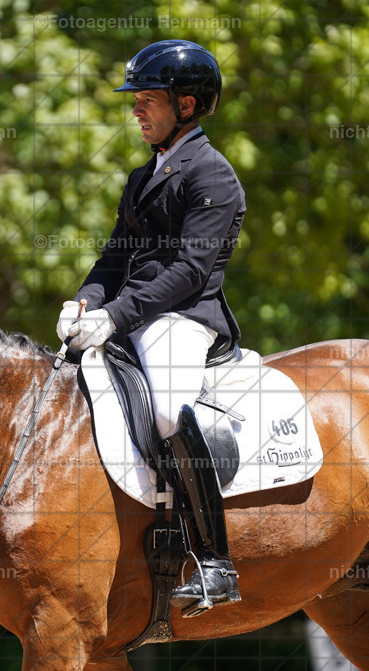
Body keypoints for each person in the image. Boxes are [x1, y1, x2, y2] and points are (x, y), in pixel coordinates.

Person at [56, 40, 246, 615]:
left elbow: (190, 271)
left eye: (148, 98)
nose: (136, 108)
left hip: (182, 319)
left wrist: (116, 314)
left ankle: (216, 563)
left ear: (186, 105)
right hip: (129, 314)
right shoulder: (143, 176)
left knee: (168, 411)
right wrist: (85, 302)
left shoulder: (213, 174)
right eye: (134, 99)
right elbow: (114, 258)